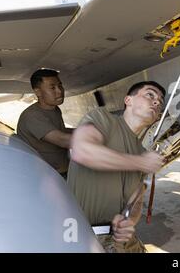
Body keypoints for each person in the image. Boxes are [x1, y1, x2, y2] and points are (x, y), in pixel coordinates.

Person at [67, 81, 166, 253]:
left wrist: (129, 222)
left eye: (160, 101)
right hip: (86, 238)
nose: (157, 102)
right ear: (128, 100)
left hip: (121, 241)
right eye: (150, 95)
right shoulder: (103, 119)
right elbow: (82, 151)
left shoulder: (142, 152)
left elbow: (134, 204)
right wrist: (140, 163)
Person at [17, 69, 72, 178]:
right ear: (37, 92)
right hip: (49, 178)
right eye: (52, 88)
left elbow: (60, 131)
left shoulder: (54, 109)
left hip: (63, 172)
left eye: (60, 86)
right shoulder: (32, 116)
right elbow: (63, 140)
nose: (59, 91)